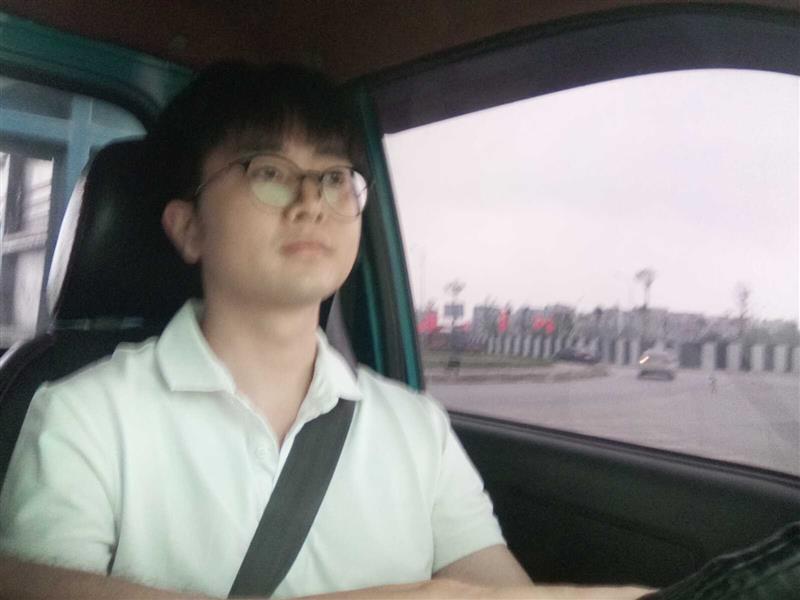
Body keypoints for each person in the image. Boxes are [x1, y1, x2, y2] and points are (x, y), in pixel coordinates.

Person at [0, 63, 649, 599]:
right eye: (269, 172)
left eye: (335, 178)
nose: (313, 200)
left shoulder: (416, 429)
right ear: (189, 227)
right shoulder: (84, 416)